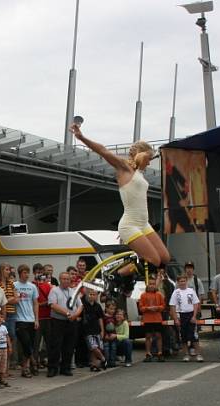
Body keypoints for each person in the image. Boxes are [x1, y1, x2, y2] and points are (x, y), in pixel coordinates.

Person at [69, 124, 170, 276]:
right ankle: (114, 275)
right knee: (153, 260)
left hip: (143, 223)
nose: (149, 163)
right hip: (130, 224)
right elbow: (103, 151)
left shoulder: (139, 173)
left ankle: (137, 265)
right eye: (148, 159)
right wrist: (81, 137)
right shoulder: (124, 168)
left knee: (164, 258)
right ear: (141, 155)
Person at [47, 272, 83, 377]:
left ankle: (65, 368)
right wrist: (67, 313)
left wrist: (75, 315)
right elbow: (53, 305)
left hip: (71, 322)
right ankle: (52, 368)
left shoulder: (73, 292)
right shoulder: (54, 290)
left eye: (68, 279)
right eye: (64, 279)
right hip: (58, 322)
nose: (66, 281)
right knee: (55, 346)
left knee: (69, 346)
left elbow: (80, 306)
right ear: (60, 279)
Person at [13, 265, 39, 378]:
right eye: (24, 272)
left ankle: (26, 367)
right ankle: (29, 365)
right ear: (20, 273)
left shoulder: (32, 287)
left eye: (28, 272)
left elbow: (35, 303)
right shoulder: (14, 285)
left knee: (29, 345)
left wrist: (36, 319)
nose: (26, 275)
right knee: (26, 343)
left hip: (31, 319)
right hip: (19, 319)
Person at [169, 275, 201, 363]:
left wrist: (194, 316)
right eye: (180, 281)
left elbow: (196, 304)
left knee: (194, 336)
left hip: (190, 315)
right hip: (181, 315)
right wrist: (175, 319)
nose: (182, 283)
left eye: (184, 281)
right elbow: (172, 306)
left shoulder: (191, 291)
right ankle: (186, 354)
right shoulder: (176, 292)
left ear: (186, 281)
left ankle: (198, 354)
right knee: (183, 337)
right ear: (178, 283)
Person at [139, 278, 164, 362]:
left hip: (157, 318)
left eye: (153, 284)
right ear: (147, 285)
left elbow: (163, 306)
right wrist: (148, 308)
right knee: (148, 336)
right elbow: (141, 308)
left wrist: (157, 308)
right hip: (147, 319)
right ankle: (148, 353)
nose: (152, 285)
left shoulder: (159, 294)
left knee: (158, 336)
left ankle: (160, 353)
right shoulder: (143, 295)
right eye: (150, 284)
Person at [33, 263, 52, 370]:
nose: (39, 274)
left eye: (40, 272)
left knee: (49, 343)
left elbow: (50, 300)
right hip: (37, 318)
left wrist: (41, 304)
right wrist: (39, 304)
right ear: (34, 273)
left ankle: (48, 363)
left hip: (47, 317)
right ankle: (34, 364)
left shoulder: (47, 285)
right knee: (36, 343)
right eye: (37, 272)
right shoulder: (32, 285)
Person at [81, 289, 106, 371]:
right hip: (87, 330)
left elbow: (100, 319)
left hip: (97, 329)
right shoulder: (83, 305)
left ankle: (94, 365)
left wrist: (102, 330)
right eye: (90, 294)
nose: (91, 296)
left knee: (96, 348)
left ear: (96, 296)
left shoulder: (98, 306)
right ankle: (103, 359)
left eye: (93, 294)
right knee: (93, 347)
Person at [101, 300, 118, 367]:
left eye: (114, 309)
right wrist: (104, 335)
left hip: (113, 336)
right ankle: (106, 362)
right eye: (111, 309)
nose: (112, 311)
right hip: (106, 336)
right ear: (106, 308)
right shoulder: (104, 317)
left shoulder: (114, 317)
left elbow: (116, 326)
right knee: (106, 349)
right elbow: (102, 326)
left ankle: (112, 362)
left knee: (113, 348)